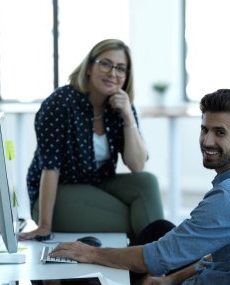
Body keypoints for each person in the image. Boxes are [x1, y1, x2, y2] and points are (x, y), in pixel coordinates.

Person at [49, 89, 230, 285]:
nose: (207, 141)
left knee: (89, 275)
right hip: (211, 273)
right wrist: (171, 279)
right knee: (159, 227)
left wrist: (91, 253)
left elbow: (155, 258)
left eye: (220, 132)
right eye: (204, 129)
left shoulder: (228, 198)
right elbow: (222, 253)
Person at [19, 39, 164, 241]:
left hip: (98, 183)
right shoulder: (60, 103)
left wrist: (128, 116)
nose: (113, 73)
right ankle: (152, 263)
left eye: (121, 68)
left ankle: (152, 263)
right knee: (140, 220)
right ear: (89, 67)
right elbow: (50, 168)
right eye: (105, 64)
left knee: (147, 182)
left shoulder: (121, 105)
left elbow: (137, 165)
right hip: (61, 190)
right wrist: (44, 225)